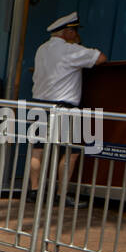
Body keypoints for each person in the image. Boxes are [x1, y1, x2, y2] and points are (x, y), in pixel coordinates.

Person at [29, 12, 106, 206]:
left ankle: (35, 190)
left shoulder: (41, 49)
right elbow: (100, 58)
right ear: (67, 32)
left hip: (38, 103)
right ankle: (61, 195)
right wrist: (78, 45)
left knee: (37, 150)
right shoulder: (71, 51)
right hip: (63, 106)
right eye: (75, 31)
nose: (77, 34)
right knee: (70, 153)